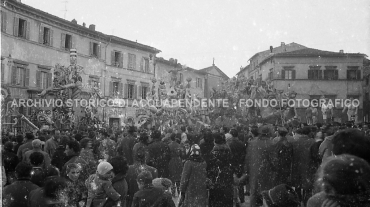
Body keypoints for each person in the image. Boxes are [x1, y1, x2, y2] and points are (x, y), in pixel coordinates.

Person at [246, 125, 275, 207]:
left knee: (254, 192)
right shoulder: (270, 143)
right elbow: (272, 159)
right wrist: (274, 169)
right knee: (266, 193)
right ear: (268, 133)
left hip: (254, 170)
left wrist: (247, 169)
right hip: (266, 171)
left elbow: (248, 157)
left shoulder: (252, 142)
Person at [208, 133, 234, 207]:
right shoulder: (228, 150)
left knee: (215, 200)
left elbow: (211, 166)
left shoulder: (214, 152)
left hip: (216, 179)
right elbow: (232, 163)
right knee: (226, 200)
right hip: (227, 179)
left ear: (215, 141)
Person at [168, 133, 183, 197]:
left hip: (171, 162)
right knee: (179, 177)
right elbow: (182, 154)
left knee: (172, 177)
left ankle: (173, 193)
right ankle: (179, 192)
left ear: (171, 138)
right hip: (178, 161)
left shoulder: (169, 145)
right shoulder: (179, 145)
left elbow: (167, 155)